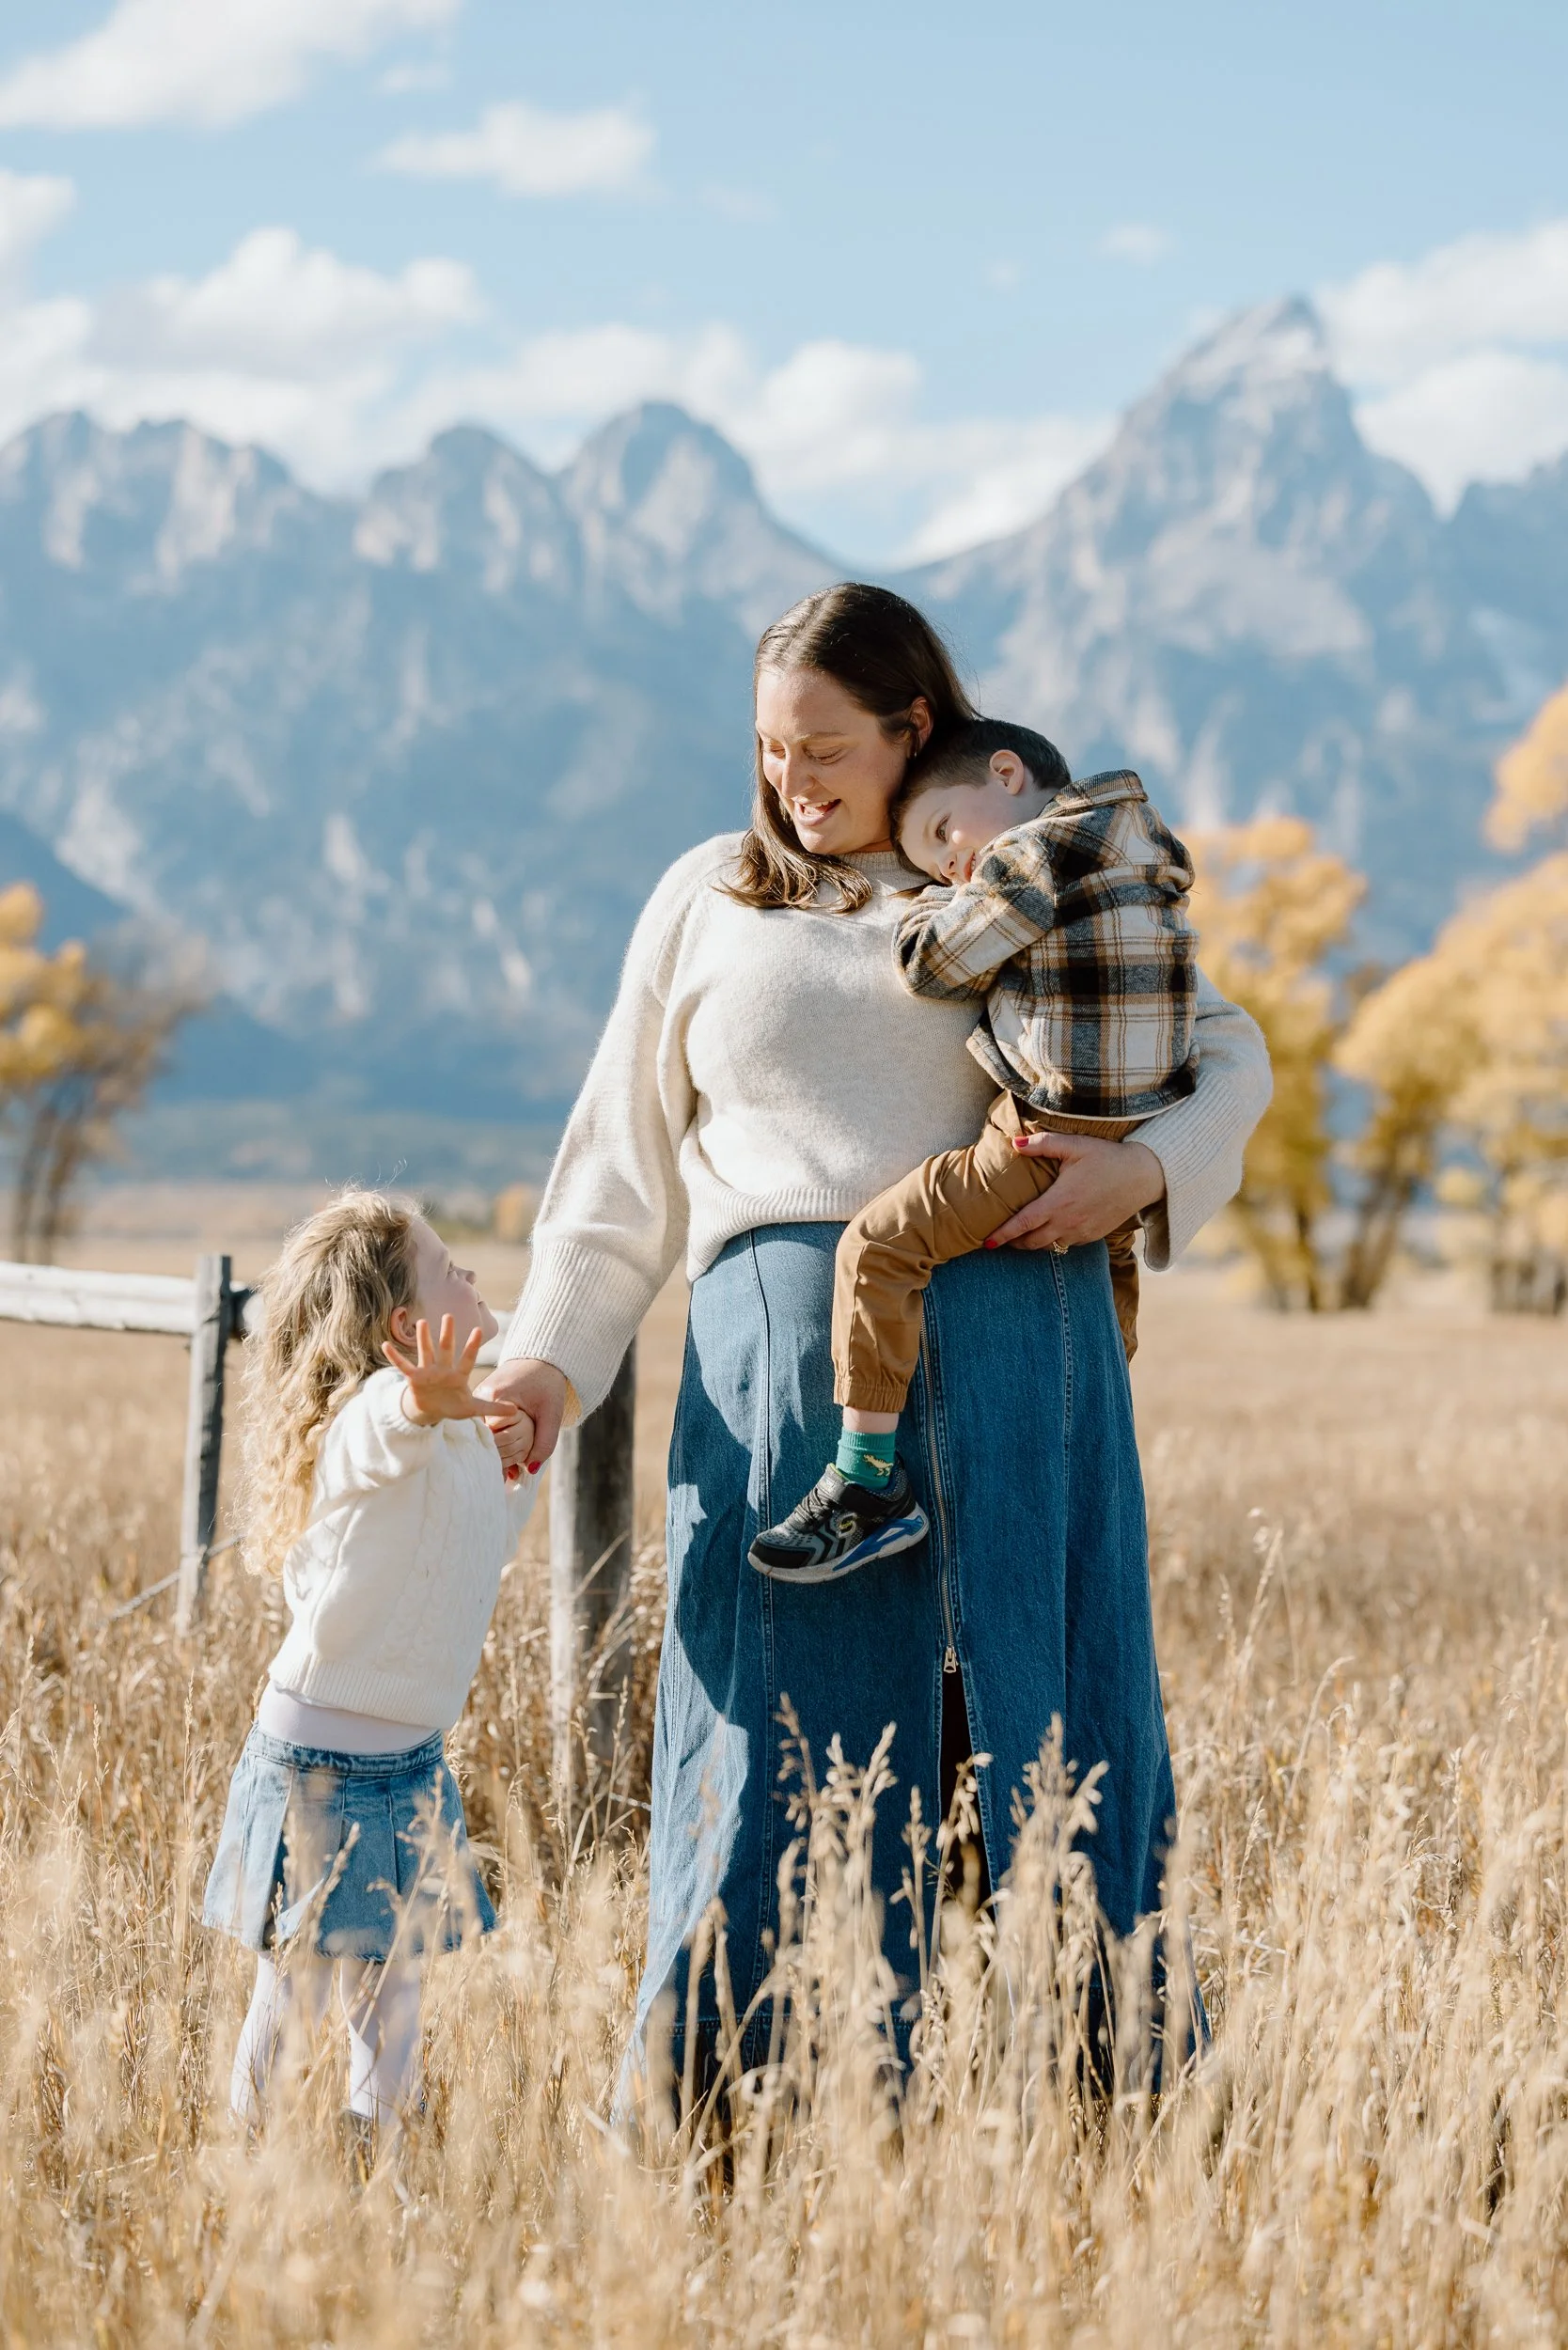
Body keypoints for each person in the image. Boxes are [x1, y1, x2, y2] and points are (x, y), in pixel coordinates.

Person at [480, 582, 1271, 2088]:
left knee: (1054, 1726)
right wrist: (545, 1360)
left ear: (918, 729)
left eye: (827, 747)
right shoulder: (713, 891)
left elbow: (1223, 1050)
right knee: (779, 1734)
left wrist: (1148, 1166)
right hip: (784, 1373)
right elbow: (616, 1166)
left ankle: (1107, 2097)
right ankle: (744, 2098)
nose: (794, 780)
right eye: (773, 750)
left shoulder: (1011, 870)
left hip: (1026, 1348)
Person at [748, 717, 1197, 1583]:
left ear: (1007, 774)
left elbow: (932, 966)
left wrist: (926, 902)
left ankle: (865, 1481)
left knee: (881, 1247)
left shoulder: (1032, 858)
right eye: (932, 862)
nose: (953, 867)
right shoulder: (1145, 846)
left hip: (1045, 1128)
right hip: (1137, 1127)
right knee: (1107, 1285)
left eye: (945, 837)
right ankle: (1088, 1463)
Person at [202, 1190, 538, 2148]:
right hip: (318, 1769)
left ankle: (381, 2155)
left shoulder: (459, 1426)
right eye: (448, 1270)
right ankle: (246, 2154)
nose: (471, 1277)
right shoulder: (371, 1420)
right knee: (297, 1984)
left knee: (398, 1988)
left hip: (413, 1764)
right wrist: (418, 1402)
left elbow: (463, 1536)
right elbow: (378, 1436)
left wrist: (503, 1443)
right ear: (405, 1330)